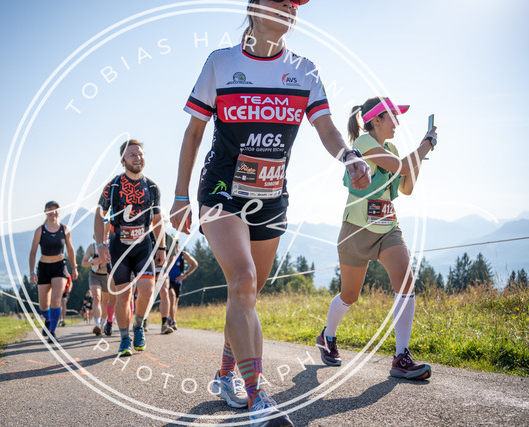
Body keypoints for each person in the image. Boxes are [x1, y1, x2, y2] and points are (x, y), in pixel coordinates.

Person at [169, 1, 371, 425]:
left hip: (271, 195)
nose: (287, 9)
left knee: (247, 294)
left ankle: (226, 374)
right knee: (242, 280)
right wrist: (181, 196)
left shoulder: (305, 70)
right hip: (222, 190)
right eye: (278, 1)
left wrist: (349, 155)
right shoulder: (221, 63)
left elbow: (326, 127)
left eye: (292, 5)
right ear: (254, 8)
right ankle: (258, 399)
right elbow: (194, 131)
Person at [317, 96, 437, 380]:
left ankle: (401, 357)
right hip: (356, 229)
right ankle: (327, 336)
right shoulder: (362, 144)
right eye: (392, 117)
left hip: (388, 228)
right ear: (376, 120)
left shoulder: (392, 149)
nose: (397, 123)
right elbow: (402, 166)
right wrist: (427, 144)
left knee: (405, 281)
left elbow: (406, 187)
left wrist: (418, 159)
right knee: (350, 295)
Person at [95, 139, 166, 357]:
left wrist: (162, 247)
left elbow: (157, 219)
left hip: (143, 245)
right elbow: (99, 215)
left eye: (140, 154)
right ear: (123, 160)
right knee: (124, 295)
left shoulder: (152, 187)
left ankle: (138, 326)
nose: (138, 158)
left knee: (147, 289)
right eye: (132, 154)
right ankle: (125, 338)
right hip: (119, 247)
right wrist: (100, 244)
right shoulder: (113, 186)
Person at [29, 201, 79, 341]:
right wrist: (32, 272)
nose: (53, 212)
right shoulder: (40, 231)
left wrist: (74, 267)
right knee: (43, 305)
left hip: (59, 267)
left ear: (59, 211)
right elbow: (33, 252)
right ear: (45, 212)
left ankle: (52, 332)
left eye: (56, 209)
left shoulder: (65, 229)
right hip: (44, 268)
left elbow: (70, 249)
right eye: (50, 209)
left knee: (56, 301)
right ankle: (48, 319)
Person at [82, 234, 116, 336]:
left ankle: (103, 323)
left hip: (107, 276)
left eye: (106, 234)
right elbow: (83, 263)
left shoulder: (111, 246)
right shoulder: (92, 247)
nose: (103, 236)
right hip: (95, 276)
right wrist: (92, 262)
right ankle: (96, 324)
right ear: (95, 237)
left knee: (105, 301)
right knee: (96, 298)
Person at [167, 238, 198, 330]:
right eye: (172, 243)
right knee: (172, 298)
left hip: (177, 280)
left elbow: (194, 264)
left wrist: (185, 275)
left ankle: (170, 318)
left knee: (175, 301)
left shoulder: (183, 254)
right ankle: (172, 321)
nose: (174, 245)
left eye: (176, 243)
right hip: (167, 280)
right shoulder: (166, 253)